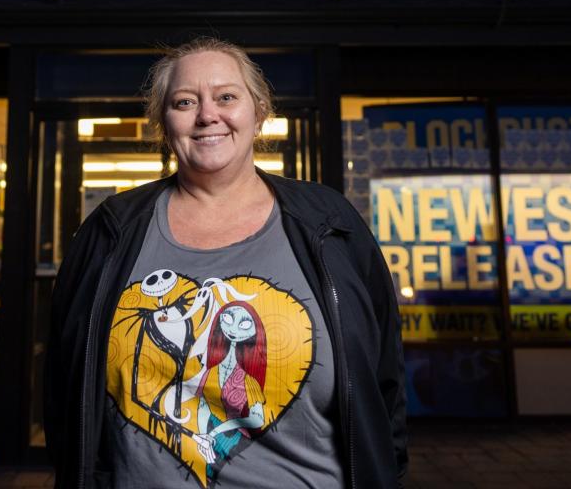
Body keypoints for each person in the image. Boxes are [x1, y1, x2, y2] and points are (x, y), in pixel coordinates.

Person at [44, 37, 406, 489]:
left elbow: (384, 379)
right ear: (163, 121)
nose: (206, 115)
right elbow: (64, 383)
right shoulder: (110, 231)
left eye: (226, 97)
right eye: (184, 101)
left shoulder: (329, 224)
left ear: (259, 111)